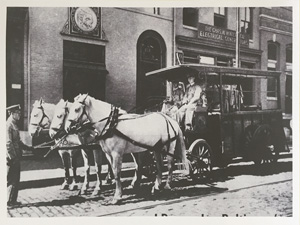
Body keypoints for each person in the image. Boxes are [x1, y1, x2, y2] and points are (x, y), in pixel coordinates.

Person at [6, 104, 32, 207]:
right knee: (13, 179)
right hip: (12, 157)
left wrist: (28, 148)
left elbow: (18, 142)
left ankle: (12, 200)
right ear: (12, 113)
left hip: (15, 156)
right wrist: (13, 158)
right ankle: (10, 202)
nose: (20, 115)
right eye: (18, 113)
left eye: (20, 113)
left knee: (14, 179)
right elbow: (8, 143)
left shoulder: (14, 124)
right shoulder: (8, 125)